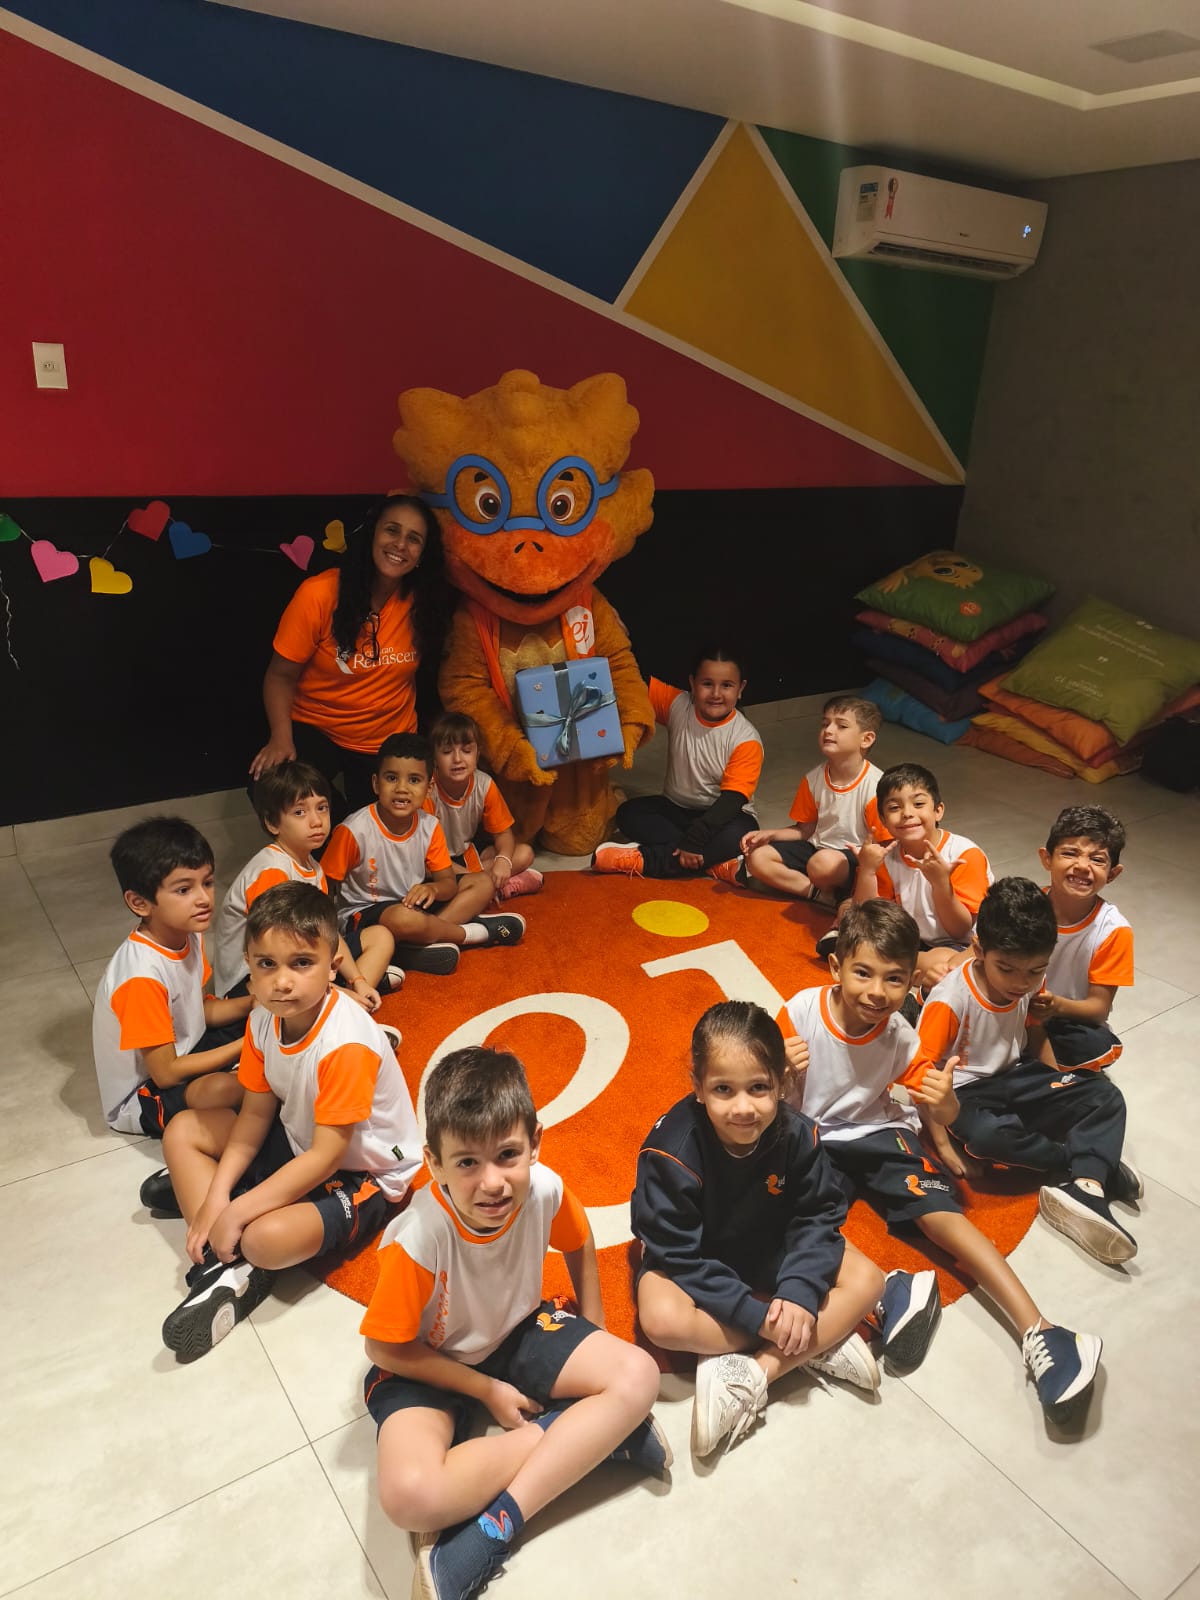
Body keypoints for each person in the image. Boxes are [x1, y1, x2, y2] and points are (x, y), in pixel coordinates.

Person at [361, 1046, 668, 1600]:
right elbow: (385, 1350)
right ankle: (594, 1440)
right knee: (409, 1497)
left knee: (639, 1374)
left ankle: (497, 1526)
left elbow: (579, 1239)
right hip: (426, 1364)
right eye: (466, 1163)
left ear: (535, 1142)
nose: (492, 1182)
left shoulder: (544, 1187)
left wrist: (594, 1327)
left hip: (519, 1331)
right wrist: (487, 1390)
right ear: (434, 1163)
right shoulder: (419, 1238)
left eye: (507, 1155)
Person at [782, 898, 1102, 1423]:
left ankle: (1042, 1330)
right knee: (796, 1218)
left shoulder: (901, 1036)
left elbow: (934, 1102)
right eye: (863, 973)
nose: (876, 992)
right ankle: (891, 1292)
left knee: (942, 1216)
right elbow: (760, 1088)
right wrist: (780, 1070)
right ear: (835, 967)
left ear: (912, 981)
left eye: (894, 979)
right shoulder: (798, 1012)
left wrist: (947, 1106)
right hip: (813, 1137)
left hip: (880, 1133)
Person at [159, 882, 422, 1358]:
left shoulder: (345, 1044)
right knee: (182, 1130)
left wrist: (236, 1210)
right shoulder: (263, 1017)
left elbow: (327, 1158)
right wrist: (218, 1198)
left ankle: (236, 1254)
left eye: (301, 963)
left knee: (264, 1239)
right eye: (266, 964)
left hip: (364, 1172)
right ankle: (223, 1257)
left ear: (333, 965)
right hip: (302, 1137)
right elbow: (256, 1112)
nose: (282, 982)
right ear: (249, 964)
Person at [632, 1000, 887, 1459]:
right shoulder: (670, 1153)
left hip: (771, 1242)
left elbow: (818, 1215)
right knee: (660, 1320)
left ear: (782, 1083)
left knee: (870, 1280)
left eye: (759, 1088)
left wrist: (801, 1290)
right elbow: (677, 1253)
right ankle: (812, 1341)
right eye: (723, 1089)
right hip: (698, 1259)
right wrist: (766, 1320)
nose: (743, 1107)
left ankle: (755, 1374)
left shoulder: (799, 1134)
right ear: (697, 1087)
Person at [918, 877, 1137, 1267]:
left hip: (1017, 1075)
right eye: (1007, 969)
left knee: (1105, 1095)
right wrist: (943, 1146)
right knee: (988, 1136)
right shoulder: (950, 999)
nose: (1022, 983)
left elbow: (1036, 1035)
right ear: (979, 950)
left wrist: (1055, 1089)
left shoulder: (1032, 981)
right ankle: (1085, 1163)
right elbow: (924, 1078)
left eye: (1035, 971)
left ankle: (1086, 1183)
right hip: (964, 1094)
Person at [249, 495, 450, 817]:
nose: (400, 544)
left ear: (422, 555)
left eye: (414, 539)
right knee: (275, 788)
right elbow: (280, 676)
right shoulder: (319, 593)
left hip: (387, 739)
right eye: (392, 530)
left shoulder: (426, 603)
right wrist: (280, 739)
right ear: (372, 534)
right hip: (317, 727)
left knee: (392, 826)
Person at [93, 817, 251, 1146]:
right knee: (230, 1088)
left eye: (207, 882)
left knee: (271, 994)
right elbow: (165, 1073)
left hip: (188, 1051)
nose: (204, 898)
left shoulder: (187, 932)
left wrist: (255, 1004)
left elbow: (198, 1012)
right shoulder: (140, 977)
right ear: (140, 903)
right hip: (145, 1096)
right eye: (183, 890)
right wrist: (249, 1045)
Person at [321, 733, 526, 977]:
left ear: (429, 788)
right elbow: (323, 889)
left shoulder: (430, 825)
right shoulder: (353, 830)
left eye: (414, 780)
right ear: (376, 784)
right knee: (404, 918)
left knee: (483, 882)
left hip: (413, 904)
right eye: (391, 778)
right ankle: (472, 934)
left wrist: (433, 889)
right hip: (366, 914)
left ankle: (413, 945)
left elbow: (448, 884)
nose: (402, 789)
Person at [212, 760, 396, 1003]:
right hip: (255, 981)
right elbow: (281, 951)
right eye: (300, 812)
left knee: (380, 936)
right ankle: (340, 1003)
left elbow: (325, 933)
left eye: (322, 808)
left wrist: (358, 981)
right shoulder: (271, 870)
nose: (316, 821)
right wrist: (338, 990)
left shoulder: (314, 867)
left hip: (300, 960)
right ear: (272, 823)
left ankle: (345, 999)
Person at [592, 647, 762, 878]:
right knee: (628, 813)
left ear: (740, 689)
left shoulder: (746, 739)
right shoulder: (678, 704)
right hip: (677, 809)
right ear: (692, 683)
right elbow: (632, 685)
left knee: (743, 835)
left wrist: (695, 840)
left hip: (724, 815)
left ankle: (645, 860)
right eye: (707, 683)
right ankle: (715, 863)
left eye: (727, 685)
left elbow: (731, 801)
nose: (716, 693)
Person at [728, 695, 884, 905]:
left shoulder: (876, 786)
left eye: (841, 726)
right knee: (757, 858)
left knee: (822, 864)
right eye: (825, 724)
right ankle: (818, 894)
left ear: (866, 739)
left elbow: (885, 847)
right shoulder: (813, 779)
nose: (829, 730)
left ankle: (838, 890)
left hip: (854, 860)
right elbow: (805, 830)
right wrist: (770, 834)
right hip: (816, 850)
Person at [853, 761, 992, 989]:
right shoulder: (886, 856)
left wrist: (940, 883)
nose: (907, 813)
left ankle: (890, 968)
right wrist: (867, 870)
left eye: (918, 804)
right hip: (913, 940)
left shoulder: (964, 854)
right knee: (853, 918)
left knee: (941, 962)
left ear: (938, 810)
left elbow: (959, 929)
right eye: (894, 808)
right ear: (883, 819)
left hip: (962, 946)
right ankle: (898, 970)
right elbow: (868, 918)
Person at [1030, 805, 1133, 1073]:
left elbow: (1098, 1008)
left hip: (1062, 1018)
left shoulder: (1113, 930)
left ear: (1112, 873)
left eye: (1097, 860)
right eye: (1070, 853)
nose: (1082, 866)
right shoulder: (1024, 907)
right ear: (1046, 858)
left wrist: (1054, 1005)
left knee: (1096, 1045)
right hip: (1009, 1005)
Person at [426, 712, 543, 901]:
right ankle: (493, 887)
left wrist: (503, 861)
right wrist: (475, 878)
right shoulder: (427, 789)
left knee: (524, 854)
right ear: (434, 758)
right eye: (447, 752)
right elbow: (424, 854)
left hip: (466, 854)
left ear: (477, 753)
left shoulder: (484, 784)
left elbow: (503, 834)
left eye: (466, 751)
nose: (457, 759)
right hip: (434, 862)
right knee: (425, 870)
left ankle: (483, 887)